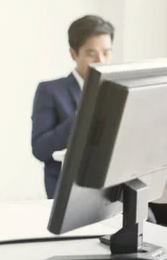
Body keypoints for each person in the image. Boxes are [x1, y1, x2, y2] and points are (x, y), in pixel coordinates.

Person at [31, 15, 114, 199]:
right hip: (69, 191)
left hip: (112, 185)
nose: (100, 60)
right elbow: (40, 149)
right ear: (73, 54)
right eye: (91, 53)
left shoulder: (117, 91)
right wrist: (82, 116)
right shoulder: (50, 91)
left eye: (106, 52)